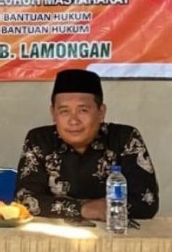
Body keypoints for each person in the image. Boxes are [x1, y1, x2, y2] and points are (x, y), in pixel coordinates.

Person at [15, 68, 159, 220]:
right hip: (54, 232)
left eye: (83, 110)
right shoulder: (40, 139)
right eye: (64, 111)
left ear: (101, 112)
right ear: (53, 113)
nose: (73, 121)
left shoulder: (124, 138)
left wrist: (105, 208)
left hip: (114, 231)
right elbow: (24, 199)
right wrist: (83, 209)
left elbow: (147, 202)